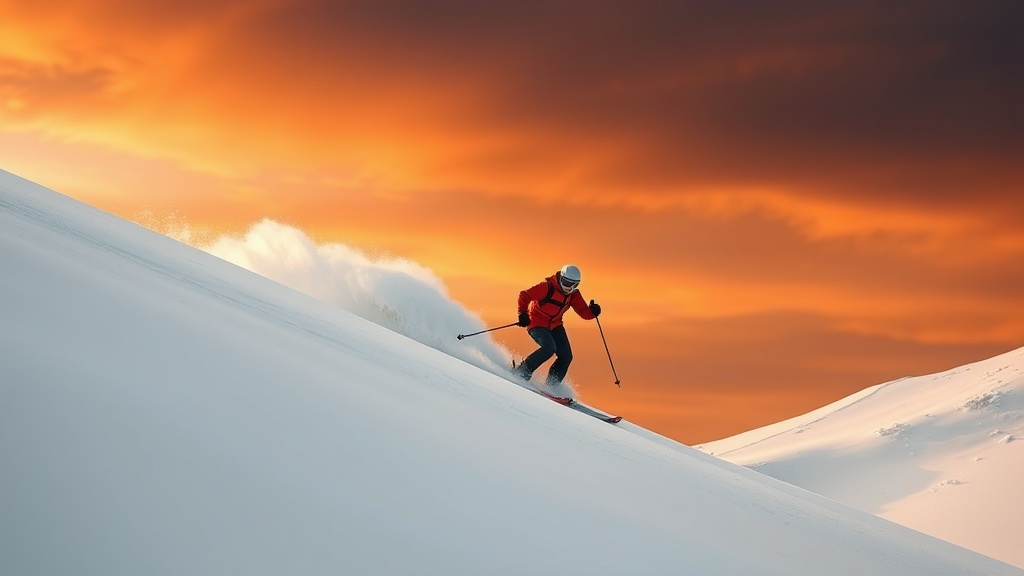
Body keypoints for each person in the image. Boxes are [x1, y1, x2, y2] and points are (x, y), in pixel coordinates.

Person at [513, 264, 601, 385]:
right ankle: (522, 371)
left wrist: (593, 312)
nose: (568, 287)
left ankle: (552, 386)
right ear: (561, 278)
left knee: (566, 356)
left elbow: (584, 313)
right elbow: (525, 295)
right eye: (566, 282)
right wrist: (522, 313)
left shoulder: (573, 295)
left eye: (573, 285)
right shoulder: (547, 287)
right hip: (537, 322)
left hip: (555, 325)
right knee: (549, 348)